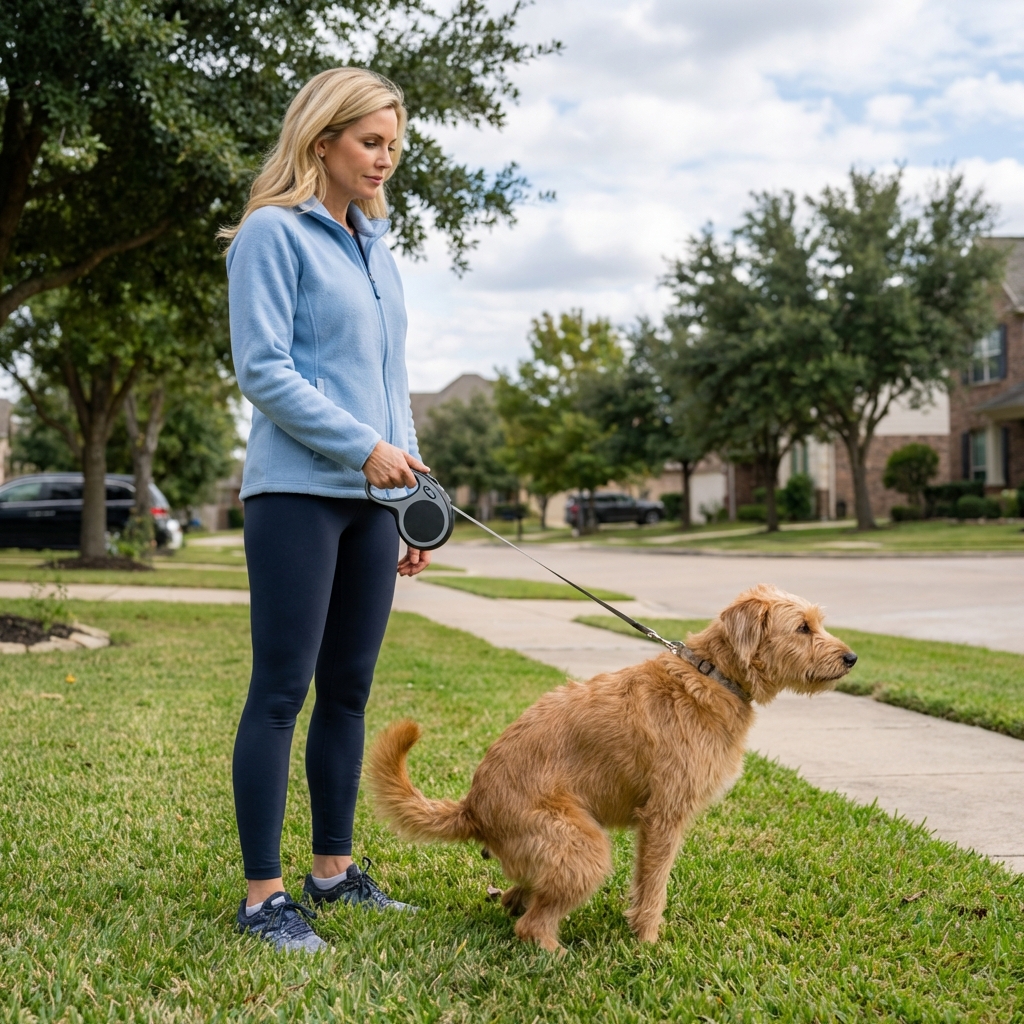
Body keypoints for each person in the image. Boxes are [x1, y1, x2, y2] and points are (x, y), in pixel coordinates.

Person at [220, 67, 431, 953]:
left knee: (347, 694)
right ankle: (263, 896)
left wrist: (415, 492)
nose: (385, 160)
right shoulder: (272, 235)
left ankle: (333, 874)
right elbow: (264, 370)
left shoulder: (376, 249)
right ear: (321, 142)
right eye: (370, 142)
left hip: (374, 501)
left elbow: (394, 386)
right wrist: (363, 449)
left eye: (394, 145)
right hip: (297, 497)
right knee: (282, 691)